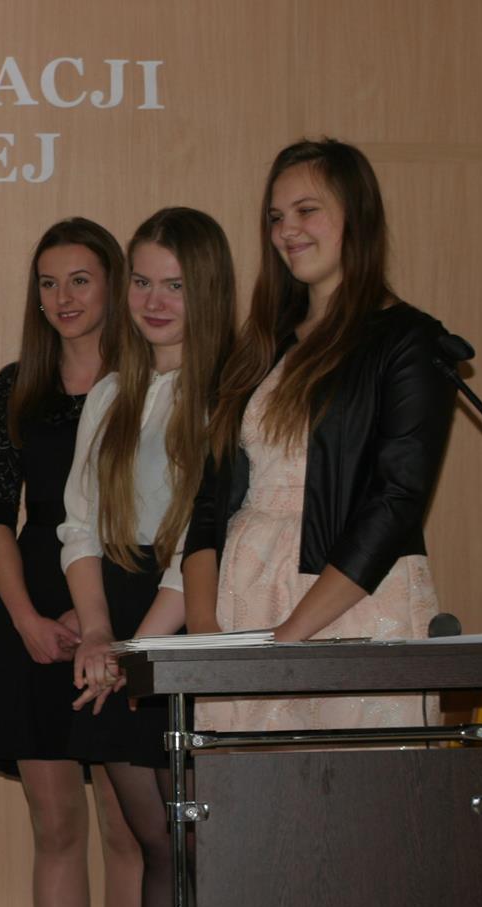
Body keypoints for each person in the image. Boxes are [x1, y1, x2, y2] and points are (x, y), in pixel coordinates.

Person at [182, 138, 456, 729]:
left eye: (307, 211)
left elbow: (397, 500)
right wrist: (204, 633)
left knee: (357, 782)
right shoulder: (260, 346)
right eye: (276, 217)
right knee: (249, 786)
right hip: (245, 600)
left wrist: (289, 638)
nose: (287, 231)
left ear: (357, 215)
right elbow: (209, 502)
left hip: (351, 602)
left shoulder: (407, 340)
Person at [0, 217, 154, 907]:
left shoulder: (149, 380)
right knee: (54, 829)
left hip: (126, 606)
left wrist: (103, 621)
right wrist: (27, 620)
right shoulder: (19, 385)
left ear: (113, 283)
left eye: (80, 279)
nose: (63, 297)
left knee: (128, 830)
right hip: (34, 619)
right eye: (48, 282)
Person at [61, 208, 237, 907]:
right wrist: (97, 631)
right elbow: (78, 525)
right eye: (142, 281)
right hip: (119, 619)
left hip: (193, 614)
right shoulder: (110, 394)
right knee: (159, 843)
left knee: (200, 847)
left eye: (174, 284)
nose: (154, 300)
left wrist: (136, 650)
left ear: (208, 290)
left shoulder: (233, 394)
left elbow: (202, 540)